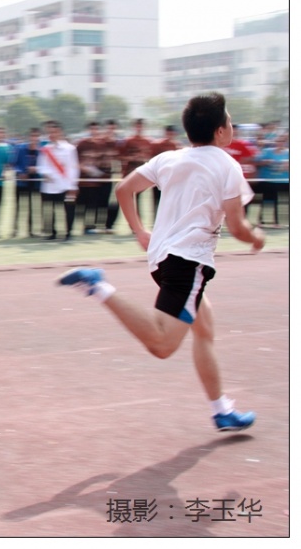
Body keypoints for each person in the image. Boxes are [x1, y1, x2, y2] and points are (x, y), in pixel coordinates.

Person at [57, 92, 264, 432]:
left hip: (162, 257)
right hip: (188, 261)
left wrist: (140, 231)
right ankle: (97, 286)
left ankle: (221, 409)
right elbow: (239, 228)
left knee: (204, 328)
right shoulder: (227, 165)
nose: (232, 127)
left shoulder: (170, 158)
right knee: (162, 344)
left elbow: (124, 189)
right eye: (229, 121)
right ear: (220, 131)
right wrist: (257, 238)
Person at [38, 120, 79, 240]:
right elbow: (41, 166)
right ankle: (52, 232)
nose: (52, 135)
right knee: (49, 210)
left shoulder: (69, 148)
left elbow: (73, 167)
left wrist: (73, 185)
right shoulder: (45, 149)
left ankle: (68, 232)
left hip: (65, 184)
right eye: (49, 132)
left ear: (60, 132)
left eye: (54, 132)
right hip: (49, 184)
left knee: (68, 209)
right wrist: (46, 173)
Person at [118, 118, 155, 223]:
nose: (139, 128)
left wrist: (144, 158)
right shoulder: (127, 141)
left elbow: (151, 157)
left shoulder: (148, 142)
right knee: (131, 200)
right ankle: (134, 223)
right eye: (137, 126)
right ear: (134, 127)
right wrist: (133, 158)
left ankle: (139, 222)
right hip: (130, 173)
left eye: (141, 126)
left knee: (140, 199)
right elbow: (120, 157)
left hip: (143, 174)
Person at [12, 127, 43, 237]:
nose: (34, 138)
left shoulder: (42, 150)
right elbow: (13, 164)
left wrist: (37, 169)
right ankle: (15, 229)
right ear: (28, 137)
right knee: (18, 206)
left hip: (35, 182)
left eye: (36, 136)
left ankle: (32, 230)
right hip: (21, 182)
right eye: (32, 136)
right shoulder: (20, 148)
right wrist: (20, 173)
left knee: (34, 207)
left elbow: (45, 165)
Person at [149, 125, 182, 217]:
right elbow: (151, 159)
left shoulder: (177, 146)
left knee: (170, 200)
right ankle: (156, 219)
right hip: (158, 176)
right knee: (157, 200)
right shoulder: (157, 145)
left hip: (171, 177)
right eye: (168, 133)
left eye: (172, 133)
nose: (170, 135)